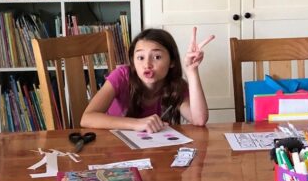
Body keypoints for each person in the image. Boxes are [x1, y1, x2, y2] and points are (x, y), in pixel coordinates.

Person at [81, 27, 213, 133]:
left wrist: (192, 71)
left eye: (157, 57)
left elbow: (199, 120)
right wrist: (137, 124)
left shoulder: (175, 85)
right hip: (116, 150)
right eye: (140, 57)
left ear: (172, 61)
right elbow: (87, 118)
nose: (147, 64)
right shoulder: (121, 76)